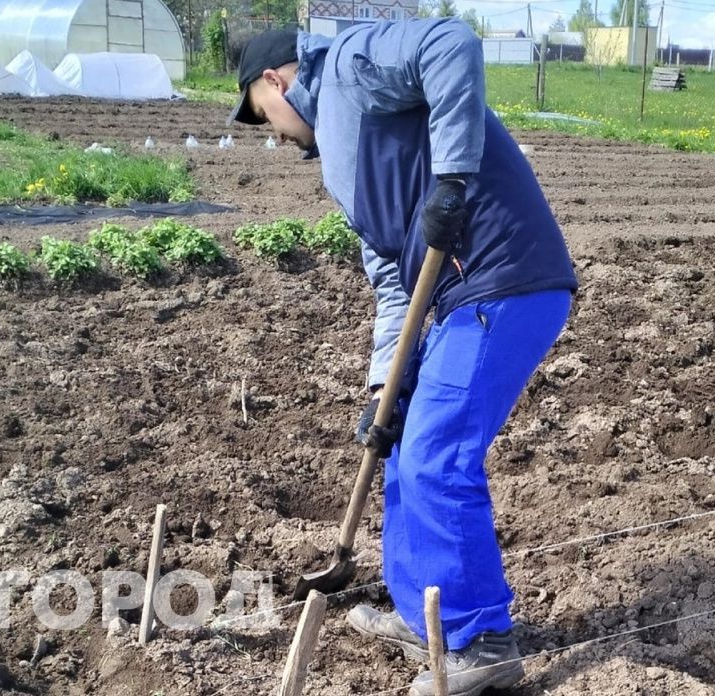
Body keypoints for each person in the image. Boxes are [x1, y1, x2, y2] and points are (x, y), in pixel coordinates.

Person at [231, 18, 577, 696]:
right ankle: (427, 615)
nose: (270, 133)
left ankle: (481, 642)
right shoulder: (342, 166)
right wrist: (381, 390)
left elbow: (451, 44)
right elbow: (395, 286)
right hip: (457, 299)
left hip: (505, 279)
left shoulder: (348, 65)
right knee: (399, 441)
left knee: (436, 457)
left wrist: (452, 179)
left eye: (261, 112)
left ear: (277, 80)